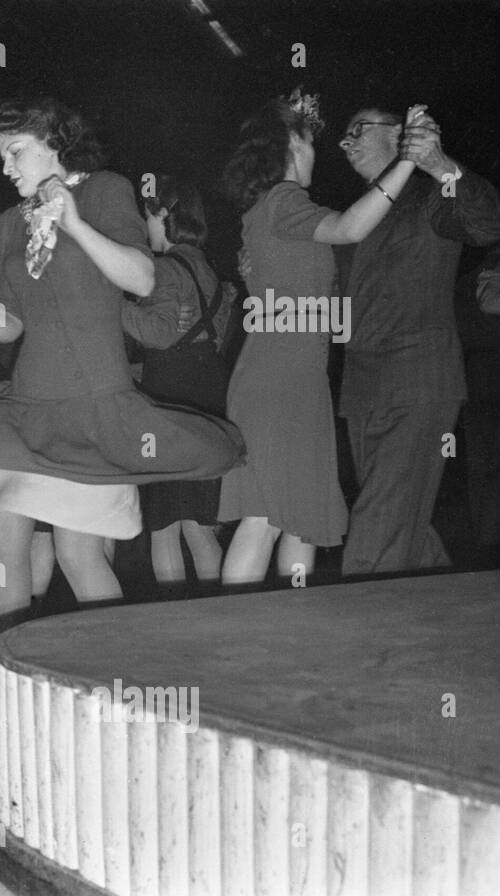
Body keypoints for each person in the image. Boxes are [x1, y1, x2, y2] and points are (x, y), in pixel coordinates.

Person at [0, 96, 244, 695]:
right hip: (26, 408)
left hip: (93, 407)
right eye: (2, 155)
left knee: (78, 556)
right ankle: (7, 699)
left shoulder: (104, 191)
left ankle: (126, 691)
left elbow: (142, 278)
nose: (6, 168)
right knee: (3, 546)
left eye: (15, 151)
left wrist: (73, 223)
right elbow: (10, 323)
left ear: (55, 142)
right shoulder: (6, 224)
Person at [218, 93, 420, 586]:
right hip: (281, 379)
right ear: (291, 142)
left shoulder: (269, 211)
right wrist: (409, 162)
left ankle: (294, 633)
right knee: (267, 516)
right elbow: (351, 227)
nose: (316, 154)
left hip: (292, 377)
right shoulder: (284, 200)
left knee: (301, 517)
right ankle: (229, 634)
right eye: (310, 142)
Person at [336, 103, 500, 576]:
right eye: (344, 135)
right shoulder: (355, 218)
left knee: (379, 522)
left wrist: (441, 165)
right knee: (403, 517)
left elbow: (488, 223)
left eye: (358, 130)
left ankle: (361, 631)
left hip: (418, 380)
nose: (346, 142)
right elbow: (331, 303)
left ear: (399, 135)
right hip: (361, 388)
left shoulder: (429, 196)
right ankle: (442, 614)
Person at [122, 174, 228, 591]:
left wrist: (113, 306)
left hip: (171, 393)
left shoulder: (166, 268)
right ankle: (218, 608)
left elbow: (159, 333)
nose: (143, 225)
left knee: (164, 522)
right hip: (206, 390)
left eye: (146, 215)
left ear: (164, 214)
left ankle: (174, 615)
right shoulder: (204, 264)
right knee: (199, 522)